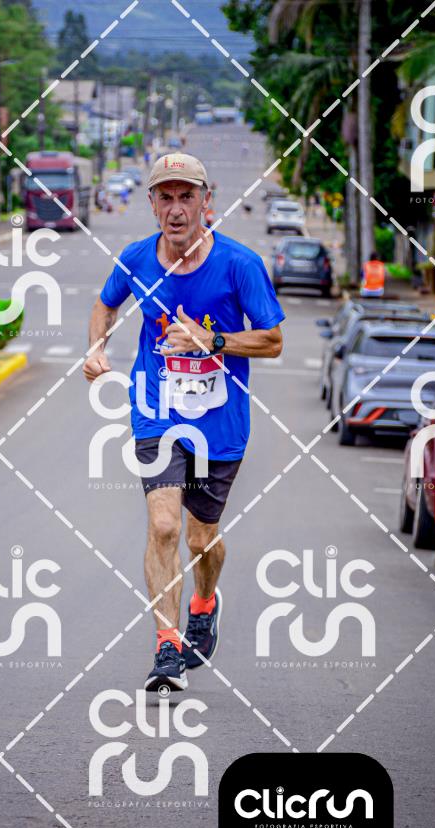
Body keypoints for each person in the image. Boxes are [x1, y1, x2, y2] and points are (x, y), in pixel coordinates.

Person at [83, 153, 284, 694]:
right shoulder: (136, 259)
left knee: (200, 539)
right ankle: (167, 646)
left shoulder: (240, 265)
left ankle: (204, 602)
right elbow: (105, 304)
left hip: (221, 422)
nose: (176, 209)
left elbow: (272, 340)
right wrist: (96, 347)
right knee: (165, 526)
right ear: (152, 204)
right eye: (165, 197)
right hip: (157, 411)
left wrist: (211, 339)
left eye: (186, 196)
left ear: (205, 201)